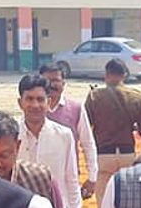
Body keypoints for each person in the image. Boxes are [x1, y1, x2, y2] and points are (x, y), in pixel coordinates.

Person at [17, 74, 85, 208]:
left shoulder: (63, 135)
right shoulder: (10, 134)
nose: (35, 105)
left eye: (40, 99)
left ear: (48, 102)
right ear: (20, 102)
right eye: (29, 99)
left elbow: (71, 179)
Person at [86, 58, 141, 208]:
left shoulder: (95, 96)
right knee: (127, 202)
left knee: (103, 202)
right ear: (124, 75)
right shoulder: (136, 96)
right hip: (127, 154)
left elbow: (85, 127)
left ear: (106, 74)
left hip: (103, 154)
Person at [41, 63, 99, 199]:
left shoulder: (76, 109)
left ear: (63, 83)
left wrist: (92, 177)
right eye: (47, 81)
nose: (51, 85)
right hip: (38, 179)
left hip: (67, 179)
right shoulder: (34, 109)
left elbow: (88, 144)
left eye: (55, 80)